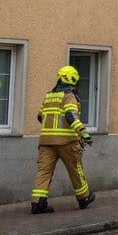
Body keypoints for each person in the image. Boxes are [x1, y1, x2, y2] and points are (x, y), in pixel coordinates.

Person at [30, 65, 95, 214]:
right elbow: (71, 115)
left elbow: (40, 116)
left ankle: (38, 204)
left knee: (43, 172)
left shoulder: (48, 96)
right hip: (67, 141)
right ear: (73, 80)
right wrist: (83, 132)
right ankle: (84, 198)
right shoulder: (69, 96)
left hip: (46, 142)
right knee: (75, 170)